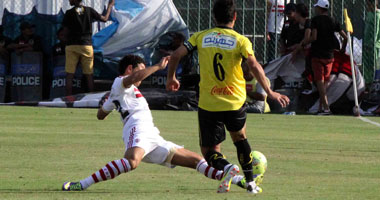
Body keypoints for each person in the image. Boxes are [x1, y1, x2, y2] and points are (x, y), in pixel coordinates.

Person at [62, 55, 247, 192]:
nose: (143, 75)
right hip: (137, 127)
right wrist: (158, 66)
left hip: (152, 136)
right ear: (129, 69)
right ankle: (82, 184)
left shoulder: (119, 91)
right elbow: (131, 80)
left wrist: (106, 107)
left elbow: (100, 115)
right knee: (132, 162)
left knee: (196, 160)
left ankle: (237, 179)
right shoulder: (120, 82)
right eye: (140, 69)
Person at [166, 0, 289, 194]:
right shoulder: (241, 40)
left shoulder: (200, 37)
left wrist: (171, 78)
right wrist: (271, 92)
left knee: (209, 151)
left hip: (209, 103)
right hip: (235, 102)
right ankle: (250, 183)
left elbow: (175, 56)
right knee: (240, 139)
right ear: (235, 17)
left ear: (214, 17)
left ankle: (227, 168)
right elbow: (255, 66)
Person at [302, 0, 347, 115]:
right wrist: (342, 49)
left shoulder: (315, 20)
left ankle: (326, 107)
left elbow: (314, 37)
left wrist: (304, 42)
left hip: (317, 54)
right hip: (330, 56)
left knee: (319, 81)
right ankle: (321, 108)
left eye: (317, 7)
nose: (315, 9)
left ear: (320, 8)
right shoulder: (333, 21)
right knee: (325, 82)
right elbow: (345, 37)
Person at [62, 0, 114, 96]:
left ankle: (68, 98)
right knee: (89, 74)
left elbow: (65, 31)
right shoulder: (89, 11)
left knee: (69, 74)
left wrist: (66, 40)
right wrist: (110, 6)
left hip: (72, 45)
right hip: (86, 45)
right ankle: (90, 97)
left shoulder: (69, 13)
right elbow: (105, 19)